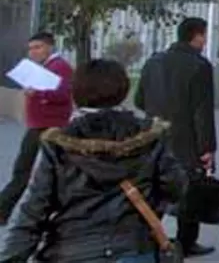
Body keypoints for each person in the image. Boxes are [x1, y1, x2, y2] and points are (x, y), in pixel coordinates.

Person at [0, 59, 187, 263]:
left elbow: (33, 210)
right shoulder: (150, 137)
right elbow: (175, 186)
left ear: (76, 92)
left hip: (70, 250)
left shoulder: (59, 143)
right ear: (123, 90)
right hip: (134, 248)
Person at [134, 17, 217, 257]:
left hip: (154, 134)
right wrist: (207, 147)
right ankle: (186, 241)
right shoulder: (199, 66)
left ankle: (149, 236)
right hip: (186, 137)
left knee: (154, 186)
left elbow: (140, 99)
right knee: (189, 189)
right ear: (198, 36)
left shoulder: (153, 62)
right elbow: (203, 111)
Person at [0, 31, 74, 222]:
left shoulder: (60, 67)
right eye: (30, 49)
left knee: (34, 170)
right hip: (40, 124)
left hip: (51, 126)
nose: (33, 52)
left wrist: (38, 94)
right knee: (28, 169)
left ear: (50, 47)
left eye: (38, 47)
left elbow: (63, 96)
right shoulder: (44, 66)